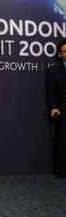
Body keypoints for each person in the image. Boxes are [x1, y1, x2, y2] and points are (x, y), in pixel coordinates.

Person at [47, 39, 66, 178]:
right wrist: (53, 107)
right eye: (65, 51)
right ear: (60, 54)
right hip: (63, 108)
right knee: (63, 140)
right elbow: (51, 91)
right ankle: (61, 171)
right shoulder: (54, 69)